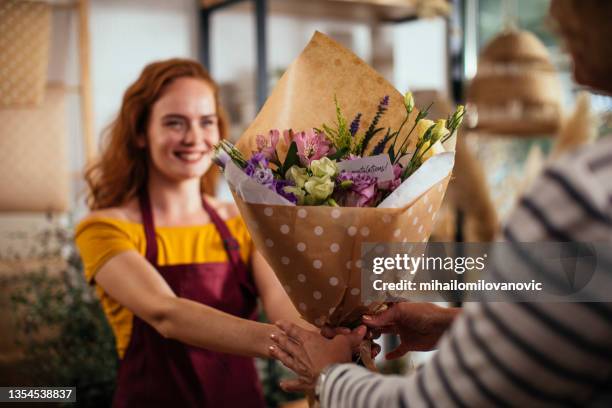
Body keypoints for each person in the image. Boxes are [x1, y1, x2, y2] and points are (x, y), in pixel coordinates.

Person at [268, 1, 612, 406]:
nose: (555, 18)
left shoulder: (587, 191)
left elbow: (438, 403)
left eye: (571, 15)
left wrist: (328, 376)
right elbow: (581, 332)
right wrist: (458, 326)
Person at [75, 59, 308, 407]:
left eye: (206, 122)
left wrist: (323, 338)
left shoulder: (242, 219)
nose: (194, 138)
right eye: (174, 123)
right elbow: (166, 314)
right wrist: (291, 347)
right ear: (141, 133)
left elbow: (279, 300)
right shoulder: (104, 228)